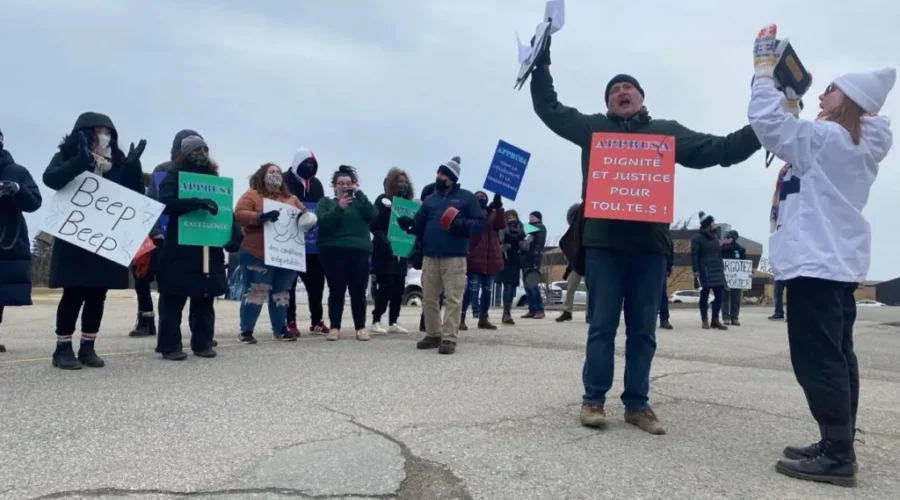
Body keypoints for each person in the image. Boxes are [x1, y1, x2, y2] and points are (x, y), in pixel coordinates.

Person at [531, 36, 762, 434]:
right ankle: (593, 400)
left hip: (650, 250)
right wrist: (541, 67)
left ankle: (637, 405)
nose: (622, 92)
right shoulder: (593, 128)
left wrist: (763, 130)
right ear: (608, 104)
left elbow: (717, 149)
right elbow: (549, 109)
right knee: (601, 326)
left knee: (643, 330)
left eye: (629, 88)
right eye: (614, 90)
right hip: (603, 246)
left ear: (641, 98)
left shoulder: (664, 133)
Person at [748, 24, 895, 486]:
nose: (823, 92)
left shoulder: (829, 139)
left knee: (818, 359)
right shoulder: (849, 141)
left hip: (816, 261)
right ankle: (838, 441)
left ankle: (836, 455)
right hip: (832, 262)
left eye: (831, 89)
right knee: (837, 354)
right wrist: (793, 102)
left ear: (849, 101)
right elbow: (793, 136)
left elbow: (770, 127)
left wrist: (764, 74)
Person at [42, 112, 146, 370]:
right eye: (98, 130)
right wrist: (80, 161)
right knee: (73, 293)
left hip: (104, 238)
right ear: (84, 132)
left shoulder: (118, 162)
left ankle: (88, 346)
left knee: (98, 294)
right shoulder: (68, 155)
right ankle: (62, 348)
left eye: (108, 131)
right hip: (75, 236)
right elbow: (51, 179)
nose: (104, 135)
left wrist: (133, 168)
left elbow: (134, 195)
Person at [156, 136, 242, 360]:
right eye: (196, 150)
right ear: (184, 154)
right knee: (174, 297)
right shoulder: (173, 176)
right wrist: (196, 202)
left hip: (208, 245)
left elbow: (226, 211)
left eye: (204, 149)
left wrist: (235, 234)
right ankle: (170, 345)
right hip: (180, 246)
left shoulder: (214, 179)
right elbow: (165, 203)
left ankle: (203, 342)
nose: (201, 153)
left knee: (205, 297)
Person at [398, 156, 484, 355]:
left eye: (444, 174)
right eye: (438, 173)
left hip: (455, 257)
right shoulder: (430, 199)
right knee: (429, 298)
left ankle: (449, 338)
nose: (439, 177)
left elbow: (479, 224)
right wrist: (408, 225)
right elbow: (419, 224)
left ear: (452, 178)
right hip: (430, 256)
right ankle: (433, 334)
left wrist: (462, 224)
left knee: (453, 299)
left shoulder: (466, 198)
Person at [129, 129, 201, 338]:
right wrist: (154, 233)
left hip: (192, 235)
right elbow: (151, 202)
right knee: (143, 276)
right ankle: (146, 319)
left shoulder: (206, 173)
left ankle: (200, 331)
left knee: (193, 283)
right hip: (162, 235)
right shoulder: (163, 170)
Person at [234, 163, 313, 343]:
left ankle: (280, 329)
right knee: (256, 291)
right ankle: (246, 330)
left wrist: (309, 220)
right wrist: (259, 217)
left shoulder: (291, 198)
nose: (275, 174)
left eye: (278, 172)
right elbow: (239, 213)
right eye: (271, 172)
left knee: (281, 292)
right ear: (262, 175)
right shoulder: (252, 195)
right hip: (256, 252)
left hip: (285, 254)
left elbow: (305, 216)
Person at [314, 165, 377, 341]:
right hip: (333, 251)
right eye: (340, 183)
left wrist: (359, 193)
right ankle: (334, 327)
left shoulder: (360, 202)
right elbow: (323, 223)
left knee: (358, 291)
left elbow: (372, 214)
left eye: (348, 183)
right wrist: (339, 208)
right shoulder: (326, 202)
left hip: (359, 251)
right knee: (336, 290)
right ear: (334, 186)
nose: (344, 186)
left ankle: (360, 327)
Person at [0, 129, 43, 353]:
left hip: (8, 237)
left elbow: (34, 202)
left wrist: (17, 190)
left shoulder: (17, 171)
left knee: (1, 291)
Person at [284, 147, 329, 336]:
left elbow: (320, 209)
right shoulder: (285, 181)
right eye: (306, 164)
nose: (309, 167)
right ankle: (290, 321)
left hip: (312, 245)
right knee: (289, 286)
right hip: (290, 243)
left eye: (312, 164)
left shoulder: (316, 184)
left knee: (316, 284)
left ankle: (316, 320)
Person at [370, 168, 415, 335]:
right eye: (399, 182)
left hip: (401, 252)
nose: (403, 185)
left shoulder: (408, 205)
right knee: (385, 286)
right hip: (385, 251)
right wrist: (385, 241)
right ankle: (376, 320)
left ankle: (393, 321)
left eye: (405, 182)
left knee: (398, 288)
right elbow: (374, 225)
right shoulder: (382, 200)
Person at [461, 191, 506, 330]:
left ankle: (483, 318)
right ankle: (461, 317)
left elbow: (501, 224)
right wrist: (488, 210)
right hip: (475, 257)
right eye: (478, 197)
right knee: (472, 289)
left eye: (483, 197)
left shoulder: (493, 213)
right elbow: (478, 224)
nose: (481, 199)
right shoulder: (471, 213)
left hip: (490, 258)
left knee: (487, 290)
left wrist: (499, 208)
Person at [691, 212, 728, 330]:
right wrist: (696, 270)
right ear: (708, 224)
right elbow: (694, 255)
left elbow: (719, 254)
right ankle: (705, 320)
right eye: (713, 222)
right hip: (705, 270)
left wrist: (722, 267)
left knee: (720, 295)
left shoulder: (716, 238)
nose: (715, 224)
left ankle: (715, 320)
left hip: (717, 270)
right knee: (704, 296)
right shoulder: (697, 238)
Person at [497, 209, 526, 325]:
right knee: (508, 287)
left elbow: (525, 243)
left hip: (516, 260)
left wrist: (524, 245)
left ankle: (508, 312)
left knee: (513, 289)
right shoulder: (502, 228)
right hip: (505, 260)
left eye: (513, 217)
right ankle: (506, 314)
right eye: (509, 218)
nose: (512, 219)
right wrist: (503, 247)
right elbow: (498, 242)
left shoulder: (522, 228)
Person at [557, 203, 583, 323]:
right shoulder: (573, 233)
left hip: (588, 261)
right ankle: (567, 311)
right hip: (576, 264)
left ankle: (591, 313)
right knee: (571, 288)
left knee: (591, 288)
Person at [520, 211, 547, 319]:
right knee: (527, 287)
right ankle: (532, 309)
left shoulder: (540, 227)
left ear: (538, 218)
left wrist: (536, 257)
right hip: (525, 260)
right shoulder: (529, 229)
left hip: (533, 260)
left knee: (532, 286)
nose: (530, 218)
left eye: (533, 216)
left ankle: (539, 310)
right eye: (530, 216)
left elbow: (539, 244)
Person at [720, 229, 747, 326]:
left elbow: (744, 263)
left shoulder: (740, 250)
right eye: (725, 237)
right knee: (724, 299)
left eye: (728, 237)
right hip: (724, 279)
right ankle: (726, 318)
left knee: (735, 299)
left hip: (736, 280)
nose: (726, 239)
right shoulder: (720, 249)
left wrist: (748, 272)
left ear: (734, 238)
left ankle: (734, 318)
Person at [659, 237, 674, 330]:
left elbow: (670, 248)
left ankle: (664, 319)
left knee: (662, 292)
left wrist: (669, 265)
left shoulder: (665, 234)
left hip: (660, 258)